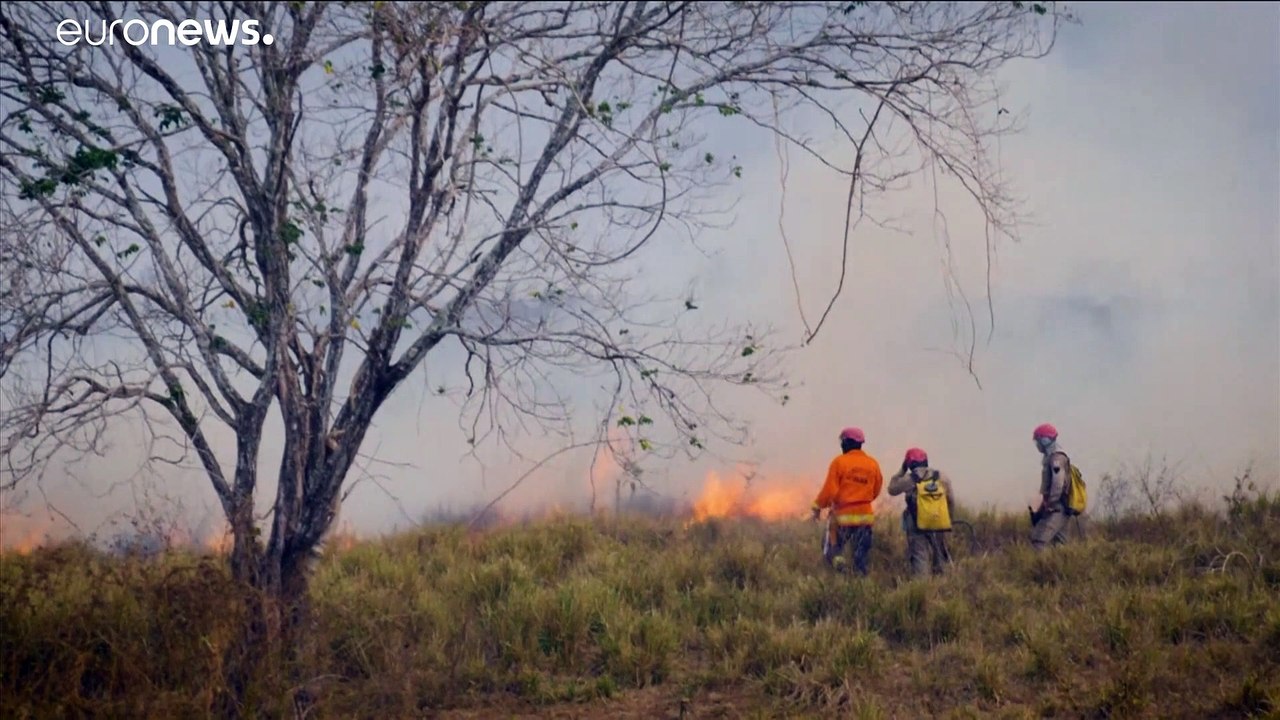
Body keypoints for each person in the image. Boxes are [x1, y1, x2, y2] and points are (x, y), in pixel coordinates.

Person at [811, 427, 884, 576]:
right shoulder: (872, 464)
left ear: (845, 443)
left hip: (841, 519)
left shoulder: (839, 462)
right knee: (860, 557)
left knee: (833, 552)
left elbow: (829, 490)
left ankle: (841, 573)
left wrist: (817, 506)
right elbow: (876, 490)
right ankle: (860, 586)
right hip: (865, 518)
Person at [888, 447, 956, 577]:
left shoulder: (909, 479)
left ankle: (922, 588)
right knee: (940, 553)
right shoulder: (941, 477)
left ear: (909, 464)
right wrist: (949, 521)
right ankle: (943, 582)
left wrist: (902, 470)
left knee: (920, 556)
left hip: (917, 523)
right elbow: (951, 501)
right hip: (940, 522)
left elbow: (892, 489)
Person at [1030, 423, 1072, 550]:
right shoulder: (1051, 458)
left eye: (1038, 440)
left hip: (1057, 507)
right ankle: (1060, 569)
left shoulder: (1056, 458)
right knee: (1059, 544)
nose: (1037, 445)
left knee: (1039, 541)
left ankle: (1041, 569)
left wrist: (1050, 504)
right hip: (1059, 507)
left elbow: (1058, 484)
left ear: (1044, 440)